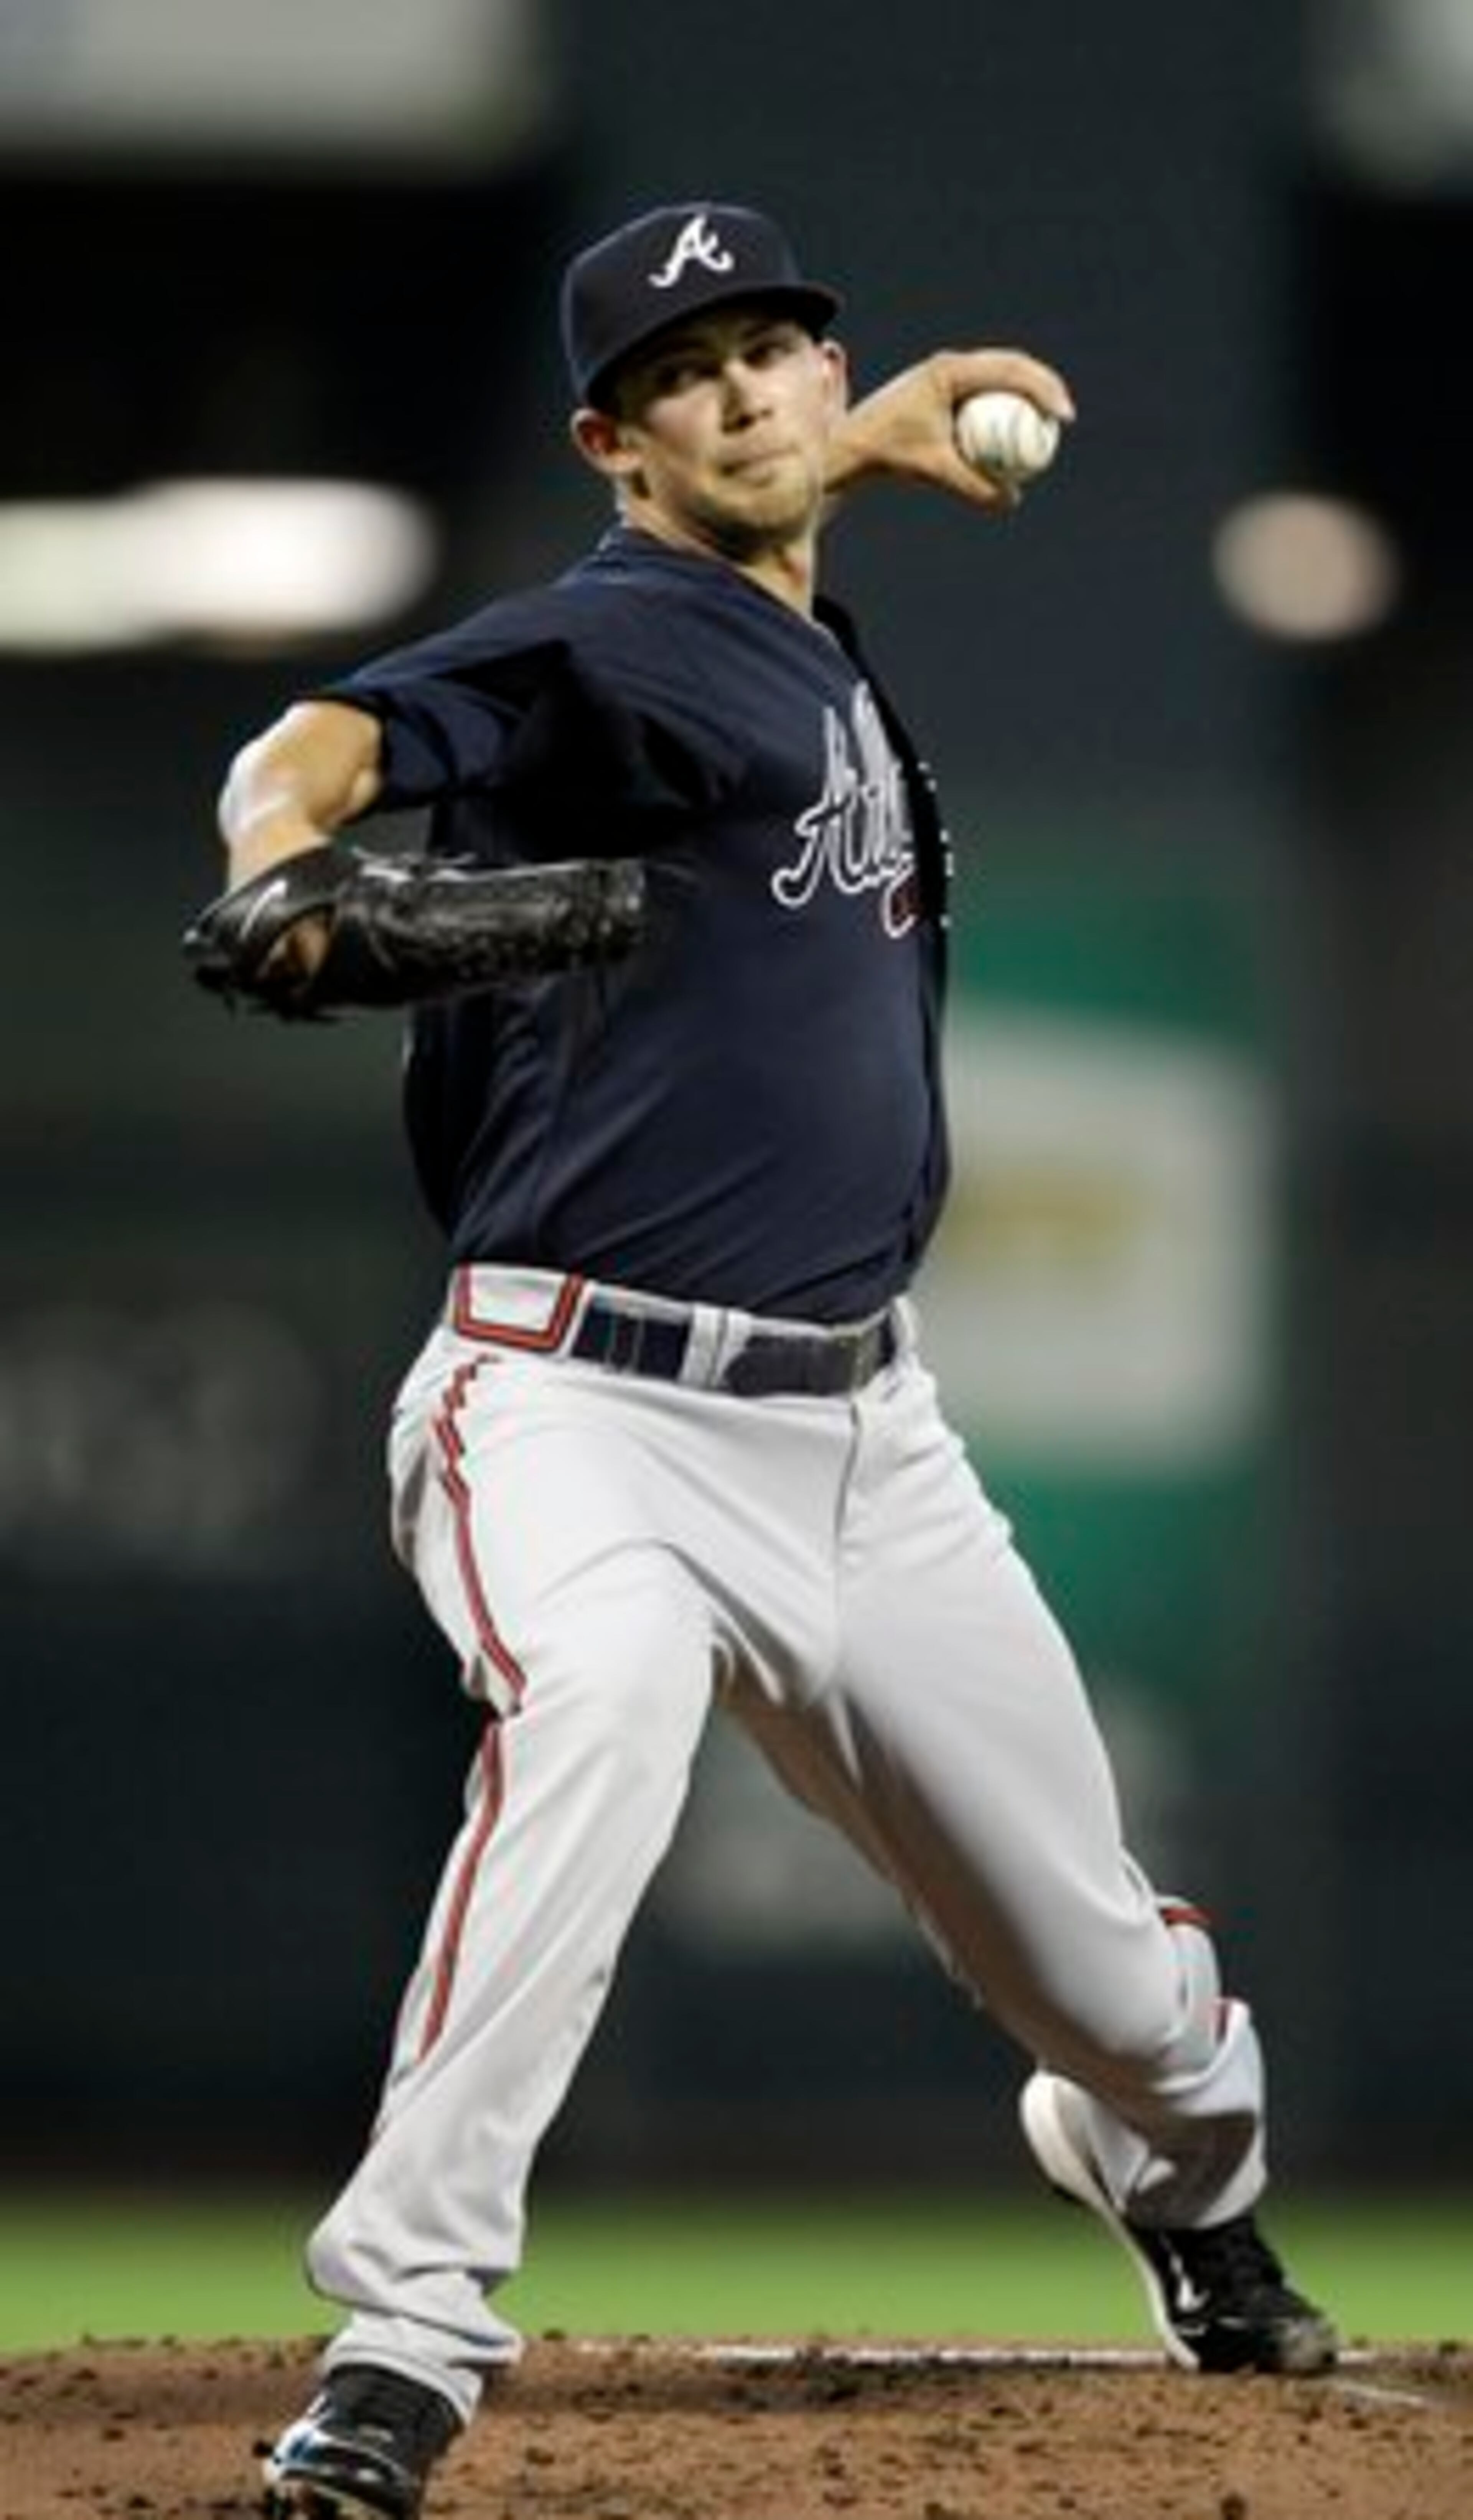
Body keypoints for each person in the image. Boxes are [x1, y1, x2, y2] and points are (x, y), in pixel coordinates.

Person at [218, 200, 1338, 2520]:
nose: (743, 390)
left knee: (1135, 2014)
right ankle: (408, 2337)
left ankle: (1174, 2184)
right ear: (610, 444)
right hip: (577, 1406)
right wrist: (277, 859)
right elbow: (321, 746)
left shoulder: (804, 631)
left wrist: (880, 445)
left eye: (779, 350)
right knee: (604, 1700)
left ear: (827, 384)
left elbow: (792, 499)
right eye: (688, 370)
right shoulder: (610, 639)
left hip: (866, 1437)